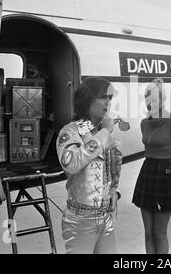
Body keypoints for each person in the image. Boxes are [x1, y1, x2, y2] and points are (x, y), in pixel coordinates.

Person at [56, 77, 123, 253]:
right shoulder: (71, 131)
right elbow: (70, 164)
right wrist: (105, 133)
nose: (108, 102)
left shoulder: (102, 130)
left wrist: (113, 190)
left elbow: (111, 165)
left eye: (110, 97)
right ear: (87, 99)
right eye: (102, 97)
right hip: (81, 218)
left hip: (105, 215)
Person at [132, 78, 171, 254]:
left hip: (164, 174)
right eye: (147, 98)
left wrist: (169, 178)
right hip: (147, 173)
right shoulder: (144, 123)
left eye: (154, 99)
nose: (150, 103)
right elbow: (148, 147)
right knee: (148, 232)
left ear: (163, 100)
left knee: (159, 233)